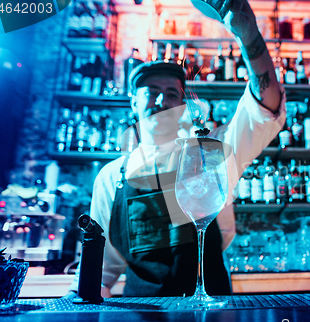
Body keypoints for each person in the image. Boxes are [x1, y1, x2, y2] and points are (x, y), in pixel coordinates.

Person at [67, 0, 286, 298]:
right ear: (133, 103)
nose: (161, 101)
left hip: (210, 312)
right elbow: (102, 272)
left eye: (172, 93)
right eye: (151, 92)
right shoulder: (111, 177)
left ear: (182, 106)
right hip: (139, 319)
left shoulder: (212, 156)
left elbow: (265, 107)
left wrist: (249, 37)